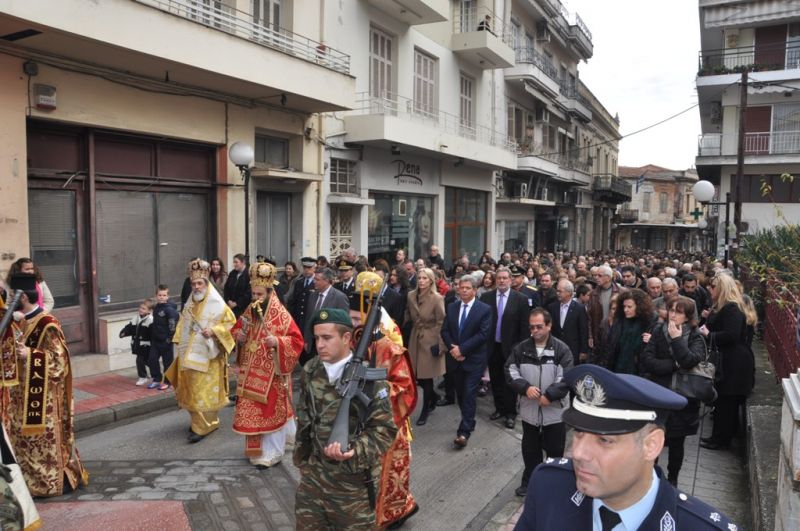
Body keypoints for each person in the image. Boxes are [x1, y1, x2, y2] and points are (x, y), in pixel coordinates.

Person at [515, 364, 737, 530]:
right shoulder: (548, 486)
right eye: (579, 433)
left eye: (604, 440)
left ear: (652, 445)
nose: (579, 453)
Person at [293, 308, 397, 530]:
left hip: (352, 486)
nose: (319, 345)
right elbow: (304, 418)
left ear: (347, 338)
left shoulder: (370, 381)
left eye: (327, 338)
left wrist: (355, 450)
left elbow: (384, 430)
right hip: (314, 480)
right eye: (317, 338)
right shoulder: (311, 370)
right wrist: (302, 461)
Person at [3, 273, 88, 497]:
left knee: (42, 441)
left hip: (44, 398)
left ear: (22, 297)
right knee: (22, 441)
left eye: (12, 295)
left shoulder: (47, 323)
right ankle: (27, 483)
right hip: (20, 395)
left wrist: (29, 354)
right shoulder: (18, 320)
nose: (10, 299)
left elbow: (59, 363)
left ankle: (51, 482)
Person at [349, 272, 419, 529]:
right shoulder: (351, 343)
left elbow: (405, 389)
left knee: (388, 476)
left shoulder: (391, 349)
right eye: (351, 317)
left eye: (357, 318)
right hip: (359, 423)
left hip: (388, 424)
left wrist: (371, 388)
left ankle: (391, 514)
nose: (352, 322)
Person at [231, 262, 303, 468]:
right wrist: (240, 336)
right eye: (253, 294)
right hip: (249, 372)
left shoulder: (281, 314)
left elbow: (297, 340)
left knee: (270, 411)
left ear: (270, 292)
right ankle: (257, 449)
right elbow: (236, 330)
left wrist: (278, 342)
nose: (255, 298)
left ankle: (273, 452)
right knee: (253, 412)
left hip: (272, 373)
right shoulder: (250, 309)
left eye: (260, 294)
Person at [166, 259, 236, 443]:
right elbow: (183, 325)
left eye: (200, 283)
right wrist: (178, 341)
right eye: (193, 284)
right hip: (189, 355)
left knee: (202, 392)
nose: (196, 287)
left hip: (209, 356)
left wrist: (213, 331)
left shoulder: (219, 305)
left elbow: (231, 324)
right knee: (191, 391)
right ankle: (201, 423)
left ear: (207, 284)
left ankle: (204, 425)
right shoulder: (190, 304)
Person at [505, 308, 573, 497]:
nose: (534, 331)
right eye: (532, 327)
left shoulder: (561, 349)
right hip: (530, 411)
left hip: (554, 412)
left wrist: (550, 395)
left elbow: (566, 377)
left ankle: (554, 484)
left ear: (549, 326)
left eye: (539, 327)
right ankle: (530, 483)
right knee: (530, 449)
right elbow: (510, 371)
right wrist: (525, 387)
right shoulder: (521, 349)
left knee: (555, 449)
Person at [640, 296, 706, 486]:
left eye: (678, 311)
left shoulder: (695, 336)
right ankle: (651, 477)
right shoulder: (659, 331)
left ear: (687, 317)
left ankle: (673, 479)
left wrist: (677, 340)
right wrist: (673, 364)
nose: (673, 315)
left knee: (676, 442)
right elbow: (648, 360)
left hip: (682, 397)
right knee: (654, 437)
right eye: (671, 310)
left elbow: (690, 360)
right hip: (659, 394)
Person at [699, 273, 755, 451]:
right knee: (721, 400)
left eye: (713, 286)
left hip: (734, 363)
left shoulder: (732, 308)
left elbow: (731, 335)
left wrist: (709, 335)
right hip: (727, 360)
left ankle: (722, 439)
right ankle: (717, 437)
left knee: (727, 402)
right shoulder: (722, 307)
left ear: (722, 288)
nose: (710, 289)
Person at [440, 275, 492, 449]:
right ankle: (469, 420)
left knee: (469, 393)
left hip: (474, 360)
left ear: (475, 291)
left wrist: (462, 349)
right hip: (455, 359)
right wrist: (453, 348)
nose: (463, 290)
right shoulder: (452, 307)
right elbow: (445, 330)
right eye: (461, 287)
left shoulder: (484, 309)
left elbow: (483, 334)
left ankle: (463, 433)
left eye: (467, 288)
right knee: (461, 394)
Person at [480, 266, 530, 429]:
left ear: (510, 280)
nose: (501, 281)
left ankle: (510, 414)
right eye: (499, 278)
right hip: (492, 346)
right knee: (495, 379)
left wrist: (520, 349)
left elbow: (524, 328)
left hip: (512, 348)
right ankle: (499, 409)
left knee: (510, 382)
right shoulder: (486, 297)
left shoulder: (520, 299)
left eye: (504, 278)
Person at [404, 267, 446, 426]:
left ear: (431, 281)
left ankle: (425, 409)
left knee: (426, 378)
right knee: (416, 376)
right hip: (415, 338)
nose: (421, 280)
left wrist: (440, 344)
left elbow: (441, 322)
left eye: (425, 278)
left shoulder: (437, 298)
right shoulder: (410, 295)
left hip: (430, 339)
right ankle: (434, 397)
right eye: (419, 277)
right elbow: (408, 315)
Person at [302, 267, 350, 362]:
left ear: (327, 281)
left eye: (317, 280)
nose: (314, 282)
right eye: (314, 279)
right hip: (313, 343)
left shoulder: (339, 297)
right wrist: (306, 339)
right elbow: (308, 319)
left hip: (330, 344)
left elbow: (344, 323)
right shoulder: (312, 296)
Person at [607, 289, 655, 375]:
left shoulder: (650, 321)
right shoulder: (620, 320)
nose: (625, 310)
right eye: (624, 306)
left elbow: (659, 347)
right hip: (617, 366)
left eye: (629, 307)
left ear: (640, 306)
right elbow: (611, 344)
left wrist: (652, 340)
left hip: (638, 369)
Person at [586, 265, 624, 367]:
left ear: (608, 277)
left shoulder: (621, 292)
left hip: (616, 331)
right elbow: (589, 317)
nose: (596, 278)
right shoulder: (593, 294)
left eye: (599, 275)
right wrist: (590, 336)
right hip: (599, 333)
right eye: (595, 275)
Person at [548, 279, 589, 364]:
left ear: (569, 293)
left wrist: (583, 351)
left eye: (560, 291)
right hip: (556, 348)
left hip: (573, 349)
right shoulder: (552, 307)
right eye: (557, 291)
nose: (557, 293)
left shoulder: (579, 309)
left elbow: (583, 331)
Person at [147, 285, 180, 390]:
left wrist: (169, 338)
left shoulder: (169, 310)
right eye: (159, 295)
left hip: (166, 341)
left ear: (167, 296)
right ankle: (156, 379)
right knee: (152, 360)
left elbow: (173, 325)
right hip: (155, 340)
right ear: (156, 296)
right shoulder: (156, 307)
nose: (161, 297)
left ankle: (167, 381)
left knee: (167, 363)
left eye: (164, 295)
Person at [119, 298, 154, 386]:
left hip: (146, 345)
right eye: (140, 307)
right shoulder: (135, 318)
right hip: (138, 344)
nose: (140, 310)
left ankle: (144, 377)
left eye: (143, 309)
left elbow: (153, 333)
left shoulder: (150, 320)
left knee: (143, 360)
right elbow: (130, 327)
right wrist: (124, 332)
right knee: (143, 360)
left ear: (149, 311)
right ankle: (149, 375)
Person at [287, 257, 318, 332]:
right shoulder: (298, 282)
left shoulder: (317, 283)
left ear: (314, 268)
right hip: (298, 319)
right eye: (304, 267)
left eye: (309, 267)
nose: (306, 270)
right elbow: (294, 301)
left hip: (310, 319)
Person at [223, 253, 251, 319]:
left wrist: (237, 303)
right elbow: (226, 288)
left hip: (243, 309)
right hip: (230, 307)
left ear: (243, 262)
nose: (234, 264)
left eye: (236, 262)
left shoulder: (249, 274)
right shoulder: (232, 273)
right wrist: (228, 300)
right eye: (234, 262)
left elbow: (248, 293)